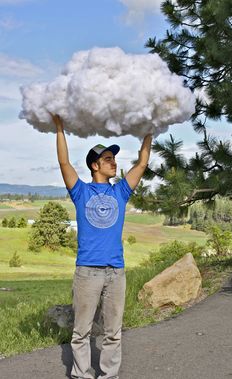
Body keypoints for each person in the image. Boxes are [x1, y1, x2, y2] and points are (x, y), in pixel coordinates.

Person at [52, 114, 152, 379]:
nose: (114, 163)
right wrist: (60, 127)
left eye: (114, 158)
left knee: (113, 332)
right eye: (108, 159)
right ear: (95, 165)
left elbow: (142, 163)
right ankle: (81, 375)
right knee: (81, 332)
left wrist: (150, 130)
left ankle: (110, 376)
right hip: (87, 272)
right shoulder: (81, 192)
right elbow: (63, 162)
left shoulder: (120, 191)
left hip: (115, 272)